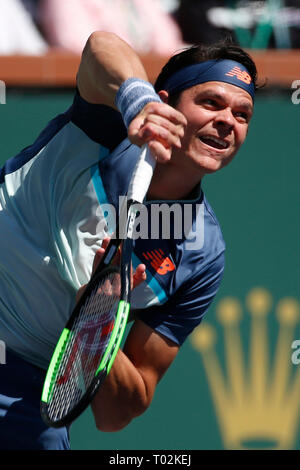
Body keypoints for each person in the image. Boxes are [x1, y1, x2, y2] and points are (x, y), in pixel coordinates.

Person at [0, 31, 257, 450]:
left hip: (27, 393)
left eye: (242, 114)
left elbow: (116, 414)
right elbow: (100, 47)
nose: (228, 121)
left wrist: (97, 322)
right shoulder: (109, 126)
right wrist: (137, 100)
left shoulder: (203, 253)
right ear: (167, 100)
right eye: (211, 102)